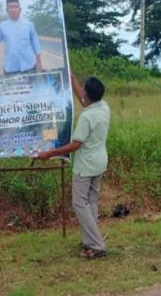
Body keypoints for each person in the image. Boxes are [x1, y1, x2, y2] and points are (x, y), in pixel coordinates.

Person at [37, 72, 110, 259]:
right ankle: (90, 240)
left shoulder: (86, 117)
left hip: (85, 167)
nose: (82, 94)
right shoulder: (103, 107)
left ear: (87, 94)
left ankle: (96, 244)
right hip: (100, 162)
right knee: (91, 202)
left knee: (79, 203)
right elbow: (84, 100)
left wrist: (50, 153)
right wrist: (73, 79)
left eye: (83, 90)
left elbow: (76, 144)